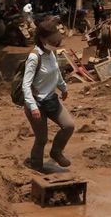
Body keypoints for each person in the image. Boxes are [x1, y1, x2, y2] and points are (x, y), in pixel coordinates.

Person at [22, 18, 74, 171]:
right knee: (41, 138)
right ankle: (36, 166)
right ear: (42, 39)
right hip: (37, 104)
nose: (56, 44)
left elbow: (56, 73)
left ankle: (56, 152)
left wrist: (63, 88)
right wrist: (33, 107)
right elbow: (26, 84)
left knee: (69, 126)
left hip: (51, 100)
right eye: (53, 41)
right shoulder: (34, 57)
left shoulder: (51, 53)